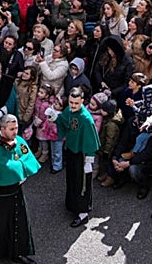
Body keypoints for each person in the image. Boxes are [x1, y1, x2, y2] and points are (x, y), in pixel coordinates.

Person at [0, 114, 40, 264]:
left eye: (16, 128)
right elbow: (4, 168)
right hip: (1, 196)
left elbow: (27, 157)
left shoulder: (18, 140)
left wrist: (19, 165)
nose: (15, 132)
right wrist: (21, 165)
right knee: (0, 226)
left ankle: (18, 253)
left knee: (18, 224)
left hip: (16, 191)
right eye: (11, 129)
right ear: (2, 129)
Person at [49, 87, 100, 227]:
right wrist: (55, 118)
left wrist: (89, 160)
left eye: (76, 103)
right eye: (71, 102)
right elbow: (63, 121)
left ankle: (83, 213)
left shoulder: (86, 119)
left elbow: (91, 141)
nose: (73, 105)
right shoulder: (69, 111)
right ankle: (72, 204)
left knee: (81, 183)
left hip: (82, 154)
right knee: (72, 179)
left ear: (82, 101)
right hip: (71, 150)